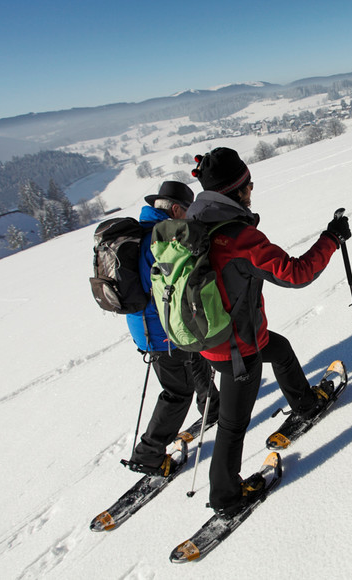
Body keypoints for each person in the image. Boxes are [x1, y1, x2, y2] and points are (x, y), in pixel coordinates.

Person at [186, 147, 351, 516]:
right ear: (235, 191)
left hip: (214, 337)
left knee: (279, 347)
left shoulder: (193, 224)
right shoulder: (239, 238)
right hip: (236, 351)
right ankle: (226, 497)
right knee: (232, 425)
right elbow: (296, 273)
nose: (251, 192)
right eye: (248, 186)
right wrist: (332, 239)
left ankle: (304, 403)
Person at [124, 181, 220, 476]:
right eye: (187, 210)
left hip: (158, 325)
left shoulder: (145, 232)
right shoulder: (158, 239)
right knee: (178, 392)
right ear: (176, 208)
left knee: (193, 354)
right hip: (158, 330)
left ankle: (212, 406)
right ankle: (148, 454)